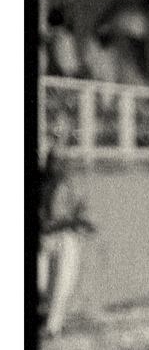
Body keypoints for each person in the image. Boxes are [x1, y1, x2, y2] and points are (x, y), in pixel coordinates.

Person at [37, 116, 94, 337]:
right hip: (46, 237)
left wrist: (79, 222)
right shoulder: (42, 182)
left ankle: (53, 326)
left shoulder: (71, 182)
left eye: (59, 161)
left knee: (63, 284)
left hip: (66, 237)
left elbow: (81, 211)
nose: (56, 164)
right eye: (53, 160)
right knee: (42, 284)